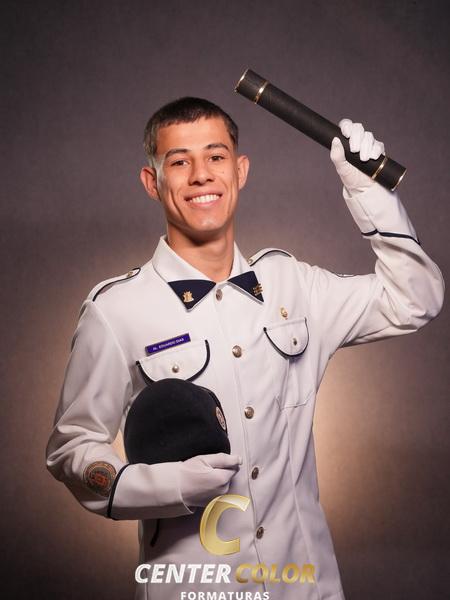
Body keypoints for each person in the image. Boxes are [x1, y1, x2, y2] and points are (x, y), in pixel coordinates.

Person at [46, 97, 444, 600]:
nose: (201, 175)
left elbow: (416, 299)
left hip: (307, 588)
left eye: (215, 156)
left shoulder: (293, 285)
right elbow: (72, 448)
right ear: (153, 182)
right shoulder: (116, 310)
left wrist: (369, 191)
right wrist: (167, 486)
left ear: (240, 171)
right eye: (179, 161)